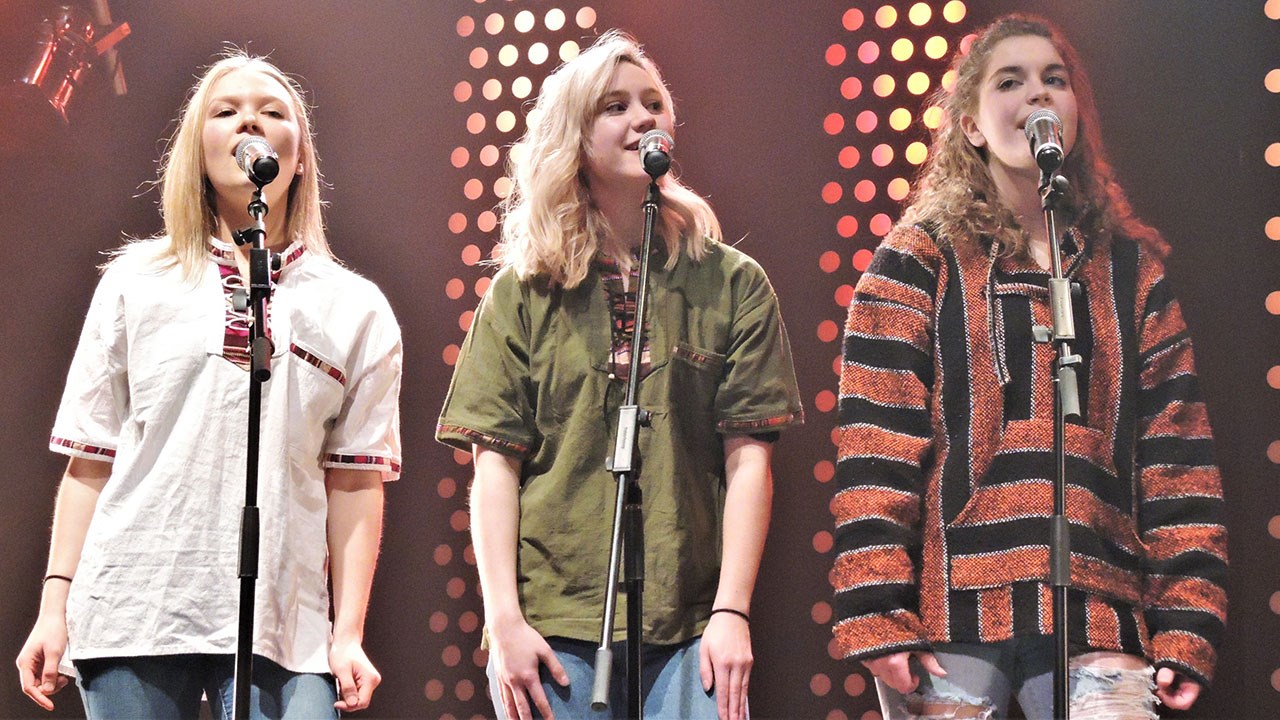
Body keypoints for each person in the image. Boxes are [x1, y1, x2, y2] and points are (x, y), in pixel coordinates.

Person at [830, 14, 1227, 720]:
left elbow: (1176, 455)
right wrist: (876, 606)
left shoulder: (1130, 272)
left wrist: (1187, 619)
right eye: (1009, 82)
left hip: (1098, 608)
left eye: (1054, 79)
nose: (1037, 94)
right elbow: (876, 444)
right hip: (949, 614)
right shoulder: (917, 259)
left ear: (1075, 114)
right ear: (972, 125)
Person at [14, 52, 402, 719]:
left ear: (299, 158)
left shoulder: (355, 307)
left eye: (272, 111)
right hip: (134, 607)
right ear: (197, 151)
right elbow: (91, 460)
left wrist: (348, 634)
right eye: (226, 112)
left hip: (286, 624)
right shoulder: (136, 281)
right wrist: (54, 606)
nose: (250, 120)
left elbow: (355, 480)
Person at [437, 30, 803, 720]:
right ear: (575, 137)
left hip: (691, 621)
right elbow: (495, 467)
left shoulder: (733, 282)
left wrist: (732, 612)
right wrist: (504, 621)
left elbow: (749, 459)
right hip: (554, 621)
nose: (643, 118)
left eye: (653, 103)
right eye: (615, 106)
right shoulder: (523, 292)